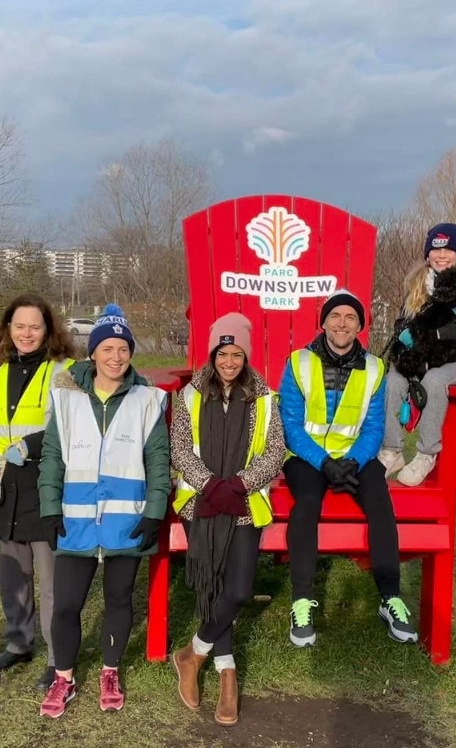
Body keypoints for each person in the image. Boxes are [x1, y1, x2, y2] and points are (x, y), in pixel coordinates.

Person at [36, 304, 170, 718]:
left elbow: (159, 462)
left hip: (125, 523)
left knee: (118, 600)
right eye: (107, 348)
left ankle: (110, 672)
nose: (116, 356)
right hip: (75, 522)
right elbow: (53, 457)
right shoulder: (66, 397)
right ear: (92, 353)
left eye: (123, 348)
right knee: (66, 605)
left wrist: (155, 512)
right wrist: (48, 507)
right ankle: (64, 678)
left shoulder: (148, 399)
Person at [279, 290, 418, 647]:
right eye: (335, 316)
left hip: (356, 457)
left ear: (359, 325)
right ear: (323, 322)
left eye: (350, 318)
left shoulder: (375, 368)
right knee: (307, 504)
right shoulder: (298, 363)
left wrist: (354, 460)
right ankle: (301, 600)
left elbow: (374, 426)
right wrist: (324, 462)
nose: (342, 323)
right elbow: (291, 425)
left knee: (380, 501)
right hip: (308, 459)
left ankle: (390, 598)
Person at [169, 313, 286, 725]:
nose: (230, 361)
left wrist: (238, 484)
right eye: (223, 353)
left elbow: (275, 451)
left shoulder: (265, 398)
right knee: (215, 586)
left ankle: (192, 653)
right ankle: (226, 672)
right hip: (200, 504)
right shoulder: (189, 396)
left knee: (236, 590)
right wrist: (209, 486)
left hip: (243, 503)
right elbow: (180, 448)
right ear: (213, 353)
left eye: (237, 354)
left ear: (246, 356)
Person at [0, 294, 77, 692]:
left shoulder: (64, 370)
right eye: (19, 326)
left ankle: (56, 656)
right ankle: (18, 641)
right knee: (11, 572)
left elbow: (69, 425)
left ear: (48, 330)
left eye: (35, 326)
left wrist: (30, 446)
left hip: (43, 483)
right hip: (1, 485)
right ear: (8, 328)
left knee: (50, 577)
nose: (26, 334)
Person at [378, 223, 456, 486]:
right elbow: (405, 325)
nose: (442, 255)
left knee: (435, 380)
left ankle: (427, 453)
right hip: (416, 356)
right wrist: (410, 357)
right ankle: (392, 450)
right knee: (391, 380)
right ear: (428, 254)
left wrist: (434, 360)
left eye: (448, 250)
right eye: (436, 250)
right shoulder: (417, 283)